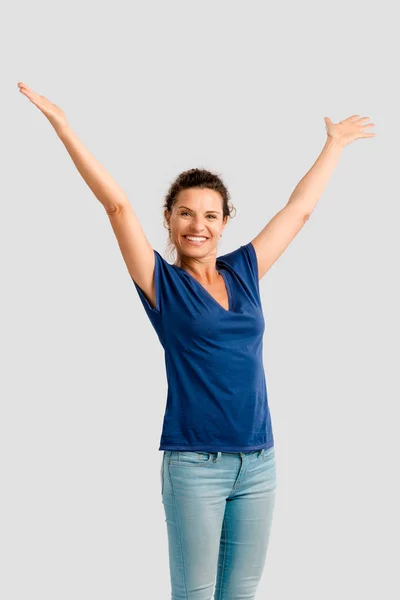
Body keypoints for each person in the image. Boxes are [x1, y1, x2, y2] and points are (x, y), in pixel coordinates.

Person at [17, 82, 376, 599]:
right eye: (185, 213)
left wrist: (334, 144)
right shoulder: (164, 285)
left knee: (241, 594)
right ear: (168, 219)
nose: (198, 225)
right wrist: (63, 125)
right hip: (194, 466)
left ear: (226, 222)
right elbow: (117, 207)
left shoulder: (245, 271)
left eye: (211, 214)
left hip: (259, 461)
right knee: (196, 595)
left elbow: (298, 211)